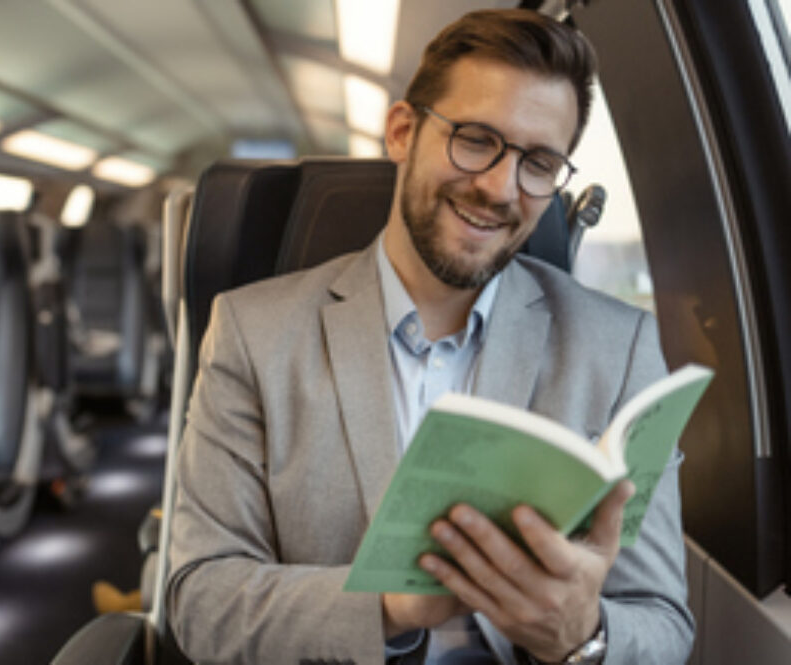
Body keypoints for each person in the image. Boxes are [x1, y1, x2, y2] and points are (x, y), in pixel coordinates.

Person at [166, 9, 693, 665]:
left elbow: (665, 624)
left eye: (538, 162)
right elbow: (200, 600)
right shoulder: (254, 332)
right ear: (402, 132)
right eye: (475, 139)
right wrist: (391, 607)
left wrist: (582, 637)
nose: (499, 187)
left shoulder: (620, 349)